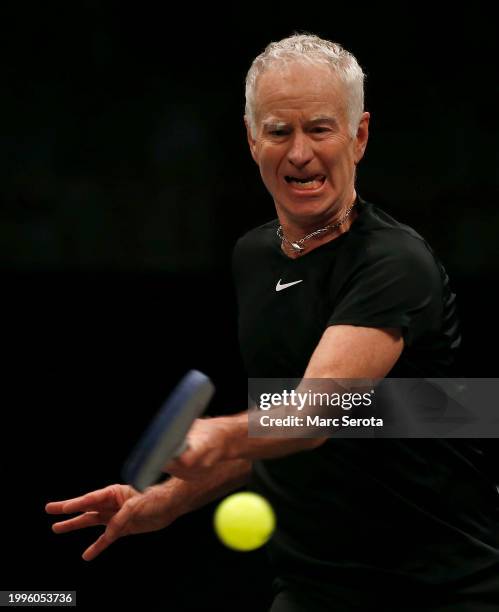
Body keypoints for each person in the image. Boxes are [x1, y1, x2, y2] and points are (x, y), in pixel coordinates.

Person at [46, 34, 499, 611]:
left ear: (359, 136)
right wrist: (169, 499)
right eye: (279, 132)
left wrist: (221, 432)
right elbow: (280, 430)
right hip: (312, 589)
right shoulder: (254, 258)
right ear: (251, 138)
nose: (300, 153)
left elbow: (320, 412)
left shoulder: (394, 263)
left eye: (320, 128)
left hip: (442, 591)